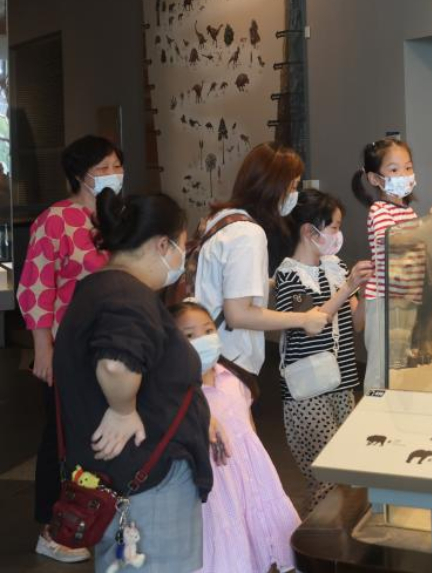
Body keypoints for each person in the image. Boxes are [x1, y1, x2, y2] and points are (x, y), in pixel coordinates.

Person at [53, 191, 213, 573]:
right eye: (182, 246)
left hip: (119, 479)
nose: (181, 258)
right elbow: (115, 364)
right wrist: (123, 410)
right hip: (147, 483)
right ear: (162, 244)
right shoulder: (127, 297)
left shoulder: (99, 288)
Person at [17, 135, 123, 563]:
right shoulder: (54, 220)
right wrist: (42, 349)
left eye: (117, 164)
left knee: (106, 435)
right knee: (60, 437)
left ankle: (99, 517)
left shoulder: (119, 216)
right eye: (105, 167)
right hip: (69, 349)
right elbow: (36, 287)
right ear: (81, 174)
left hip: (114, 346)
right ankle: (54, 527)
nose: (114, 173)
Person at [171, 301, 301, 572]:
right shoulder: (178, 396)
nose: (203, 340)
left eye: (208, 330)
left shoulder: (234, 378)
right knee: (229, 547)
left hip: (253, 477)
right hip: (217, 487)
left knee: (260, 539)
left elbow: (249, 430)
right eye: (190, 336)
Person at [274, 190, 371, 512]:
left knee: (347, 470)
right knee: (324, 476)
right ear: (308, 231)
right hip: (308, 392)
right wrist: (348, 288)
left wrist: (368, 291)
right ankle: (317, 547)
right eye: (333, 227)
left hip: (342, 385)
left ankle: (340, 540)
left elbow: (356, 324)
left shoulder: (336, 267)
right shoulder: (288, 276)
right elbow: (311, 323)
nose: (338, 235)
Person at [195, 142, 328, 376]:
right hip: (228, 359)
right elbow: (238, 314)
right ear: (274, 187)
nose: (294, 195)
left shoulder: (221, 219)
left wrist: (268, 283)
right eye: (293, 186)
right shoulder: (248, 234)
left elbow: (222, 283)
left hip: (208, 353)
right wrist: (303, 319)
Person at [351, 138, 432, 390]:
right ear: (375, 179)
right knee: (380, 370)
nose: (404, 175)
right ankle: (374, 417)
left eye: (408, 167)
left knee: (397, 366)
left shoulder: (407, 211)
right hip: (383, 301)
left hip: (405, 299)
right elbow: (396, 240)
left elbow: (416, 240)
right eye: (394, 170)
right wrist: (430, 225)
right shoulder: (379, 210)